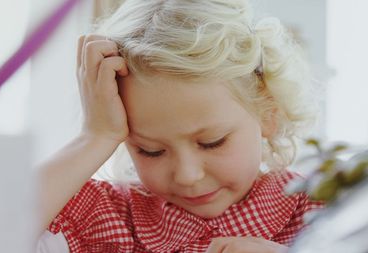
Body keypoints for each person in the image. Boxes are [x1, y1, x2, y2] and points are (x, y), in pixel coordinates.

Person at [36, 0, 324, 252]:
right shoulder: (102, 220)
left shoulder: (324, 210)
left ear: (268, 112)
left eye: (212, 142)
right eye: (150, 150)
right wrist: (95, 137)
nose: (187, 175)